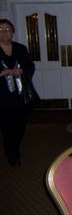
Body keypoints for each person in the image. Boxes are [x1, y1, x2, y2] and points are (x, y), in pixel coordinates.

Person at [0, 19, 35, 167]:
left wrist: (21, 70)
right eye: (1, 29)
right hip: (2, 95)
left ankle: (14, 147)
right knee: (8, 126)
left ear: (12, 32)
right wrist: (5, 72)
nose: (4, 32)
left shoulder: (20, 48)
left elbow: (30, 65)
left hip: (20, 94)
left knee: (20, 125)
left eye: (7, 29)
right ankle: (13, 155)